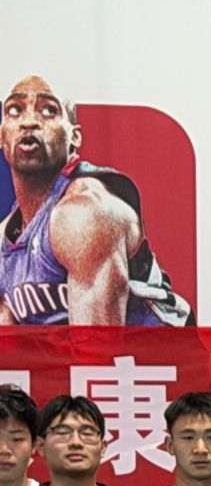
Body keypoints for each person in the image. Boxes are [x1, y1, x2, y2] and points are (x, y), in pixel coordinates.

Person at [0, 74, 191, 324]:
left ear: (75, 138)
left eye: (48, 110)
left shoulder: (84, 212)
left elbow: (99, 346)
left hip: (156, 348)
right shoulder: (6, 239)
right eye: (15, 110)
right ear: (2, 136)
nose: (29, 122)